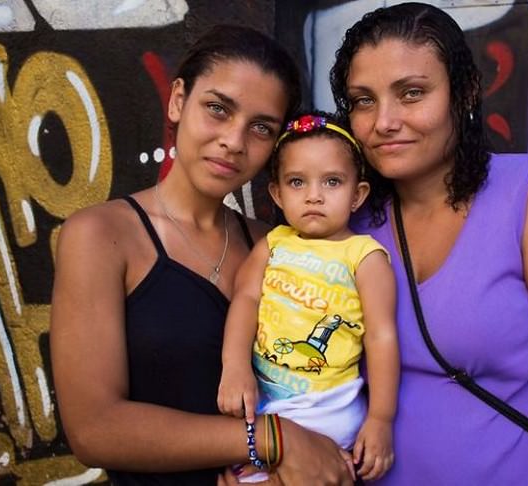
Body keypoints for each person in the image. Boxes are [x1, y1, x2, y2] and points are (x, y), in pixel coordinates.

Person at [329, 3, 528, 485]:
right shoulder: (348, 219)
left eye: (412, 93)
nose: (384, 121)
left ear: (463, 93)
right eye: (364, 100)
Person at [50, 25, 357, 486]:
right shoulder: (101, 235)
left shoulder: (274, 246)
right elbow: (95, 430)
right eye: (217, 109)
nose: (234, 141)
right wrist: (269, 439)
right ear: (178, 101)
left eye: (260, 128)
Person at [217, 112, 399, 483]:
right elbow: (246, 300)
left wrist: (381, 418)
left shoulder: (365, 255)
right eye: (297, 182)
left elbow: (381, 336)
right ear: (278, 194)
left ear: (357, 195)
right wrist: (234, 366)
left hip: (328, 410)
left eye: (332, 182)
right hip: (267, 405)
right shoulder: (272, 244)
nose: (314, 195)